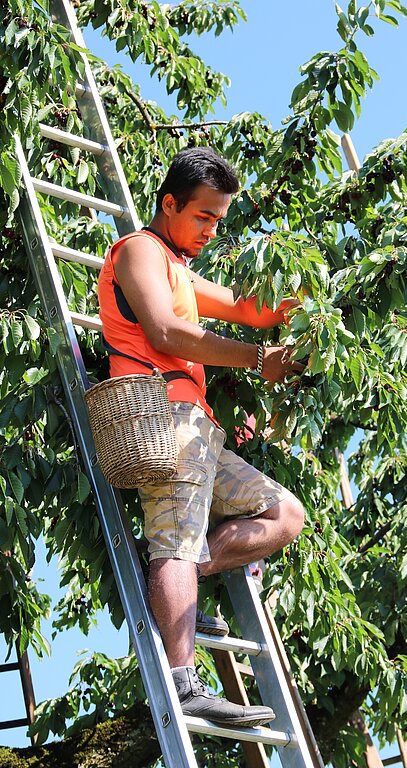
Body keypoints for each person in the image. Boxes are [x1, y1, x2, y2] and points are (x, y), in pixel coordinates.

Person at [97, 147, 305, 727]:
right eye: (204, 217)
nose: (213, 230)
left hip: (200, 428)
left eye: (219, 219)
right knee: (174, 543)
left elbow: (250, 310)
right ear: (170, 204)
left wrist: (305, 298)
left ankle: (178, 581)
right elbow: (166, 332)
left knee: (284, 513)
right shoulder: (139, 251)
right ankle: (185, 682)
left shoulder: (179, 268)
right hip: (162, 417)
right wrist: (254, 357)